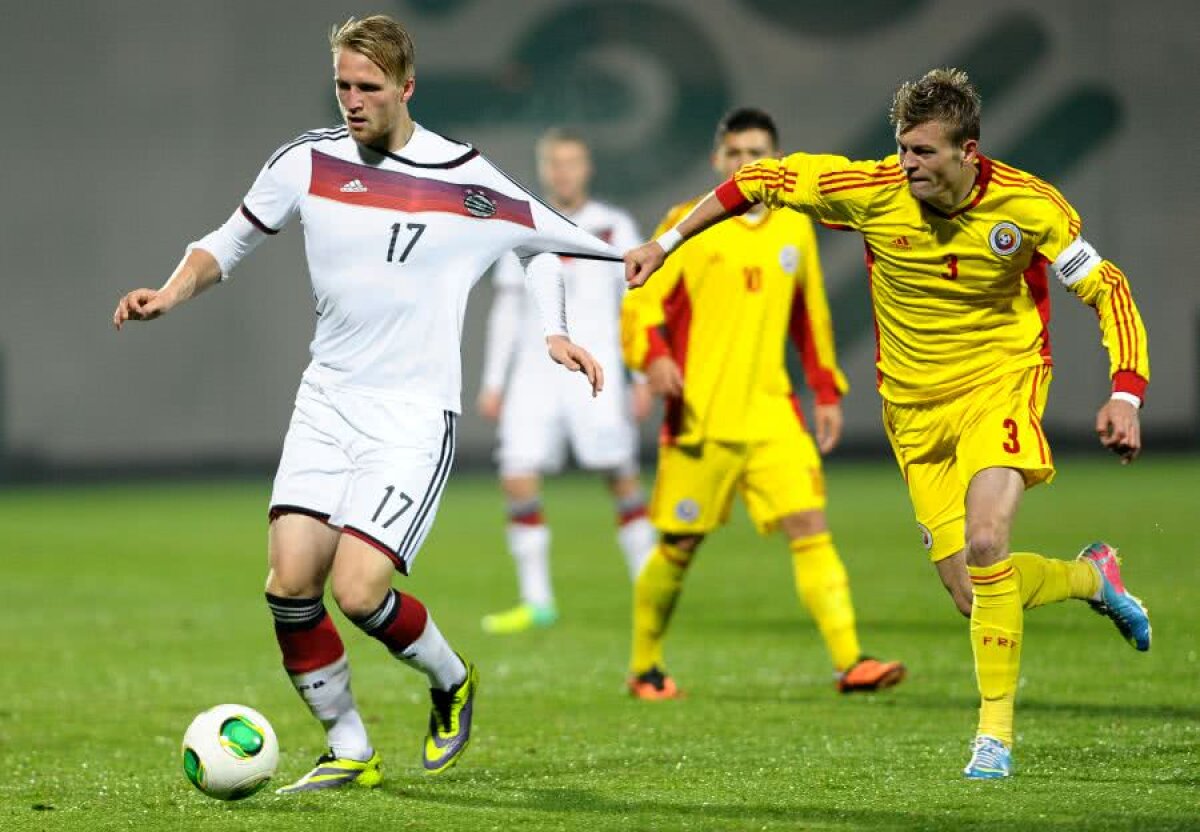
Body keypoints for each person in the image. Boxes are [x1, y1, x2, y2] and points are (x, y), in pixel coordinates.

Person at [113, 15, 619, 793]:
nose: (352, 100)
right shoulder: (306, 161)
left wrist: (554, 331)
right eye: (343, 85)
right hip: (327, 403)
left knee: (358, 591)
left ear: (407, 87)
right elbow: (228, 240)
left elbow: (537, 242)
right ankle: (348, 746)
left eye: (369, 87)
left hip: (412, 416)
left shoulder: (463, 174)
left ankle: (451, 680)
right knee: (289, 585)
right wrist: (170, 293)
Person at [624, 69, 1151, 779]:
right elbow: (758, 182)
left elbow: (1107, 288)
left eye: (924, 152)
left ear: (967, 151)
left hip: (999, 386)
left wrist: (1126, 394)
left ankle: (993, 737)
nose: (907, 164)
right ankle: (1092, 578)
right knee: (974, 595)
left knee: (988, 540)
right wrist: (665, 244)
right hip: (912, 411)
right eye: (902, 148)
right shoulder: (871, 191)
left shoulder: (1030, 207)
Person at [620, 108, 906, 700]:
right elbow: (640, 304)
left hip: (773, 414)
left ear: (776, 161)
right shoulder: (685, 225)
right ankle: (645, 667)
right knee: (678, 546)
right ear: (717, 160)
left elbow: (810, 315)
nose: (745, 163)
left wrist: (825, 391)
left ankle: (851, 662)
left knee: (811, 526)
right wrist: (654, 358)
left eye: (756, 153)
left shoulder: (794, 227)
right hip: (701, 418)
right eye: (735, 153)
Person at [477, 128, 655, 634]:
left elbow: (635, 303)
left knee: (620, 476)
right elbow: (506, 309)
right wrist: (494, 381)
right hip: (534, 376)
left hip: (598, 371)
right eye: (555, 163)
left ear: (587, 167)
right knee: (516, 475)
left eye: (572, 162)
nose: (563, 172)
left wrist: (641, 375)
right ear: (544, 169)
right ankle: (537, 602)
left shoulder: (613, 226)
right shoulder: (522, 223)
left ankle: (651, 591)